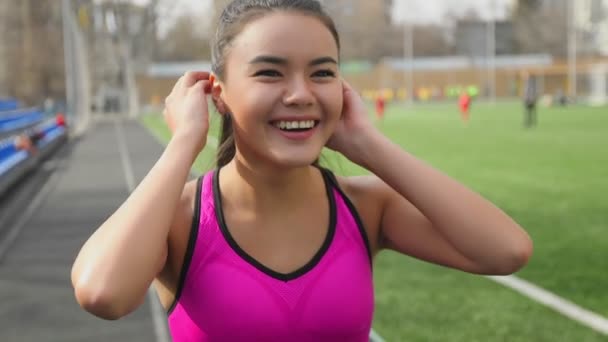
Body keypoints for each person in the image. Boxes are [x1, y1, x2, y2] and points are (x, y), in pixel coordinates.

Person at [71, 1, 533, 341]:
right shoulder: (179, 218)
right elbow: (102, 293)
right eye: (270, 73)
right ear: (218, 92)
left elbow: (506, 251)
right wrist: (184, 143)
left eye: (322, 73)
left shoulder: (367, 206)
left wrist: (369, 145)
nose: (300, 94)